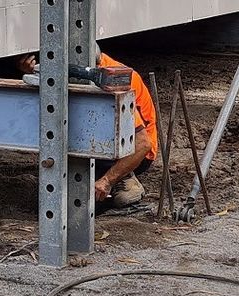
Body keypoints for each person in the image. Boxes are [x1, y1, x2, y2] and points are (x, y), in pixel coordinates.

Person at [16, 52, 157, 207]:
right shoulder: (92, 71)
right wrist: (35, 71)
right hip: (109, 139)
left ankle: (124, 176)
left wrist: (106, 181)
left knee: (89, 200)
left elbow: (143, 144)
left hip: (137, 152)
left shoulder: (113, 81)